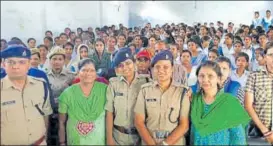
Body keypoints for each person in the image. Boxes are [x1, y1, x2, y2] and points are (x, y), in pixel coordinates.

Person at [134, 50, 191, 145]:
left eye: (165, 67)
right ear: (153, 69)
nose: (161, 70)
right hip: (149, 141)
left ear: (172, 68)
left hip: (174, 142)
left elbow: (184, 125)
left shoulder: (182, 92)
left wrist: (165, 144)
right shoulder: (145, 90)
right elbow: (139, 122)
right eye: (157, 67)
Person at [1, 45, 52, 145]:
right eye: (10, 62)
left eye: (22, 62)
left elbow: (45, 114)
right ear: (3, 64)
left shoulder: (41, 85)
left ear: (29, 64)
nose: (16, 66)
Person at [190, 61, 250, 145]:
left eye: (210, 76)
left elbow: (238, 137)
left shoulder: (229, 102)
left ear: (218, 78)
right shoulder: (193, 100)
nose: (205, 80)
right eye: (201, 76)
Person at [105, 48, 151, 145]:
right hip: (118, 137)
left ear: (134, 64)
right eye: (120, 65)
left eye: (128, 63)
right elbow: (109, 112)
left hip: (140, 137)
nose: (125, 67)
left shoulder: (146, 82)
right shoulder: (114, 84)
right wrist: (109, 138)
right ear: (117, 69)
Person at [58, 59, 107, 145]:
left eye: (92, 70)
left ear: (96, 73)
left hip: (99, 141)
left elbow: (110, 117)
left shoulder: (105, 90)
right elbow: (61, 122)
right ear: (78, 72)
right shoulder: (67, 93)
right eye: (84, 70)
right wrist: (62, 142)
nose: (88, 74)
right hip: (75, 141)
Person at [46, 47, 76, 145]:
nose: (57, 62)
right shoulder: (45, 76)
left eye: (60, 59)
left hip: (66, 113)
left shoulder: (70, 76)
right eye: (54, 59)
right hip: (50, 113)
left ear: (64, 61)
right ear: (50, 60)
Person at [245, 43, 273, 145]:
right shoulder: (254, 76)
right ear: (265, 57)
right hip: (259, 133)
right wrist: (265, 131)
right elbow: (248, 105)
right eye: (271, 55)